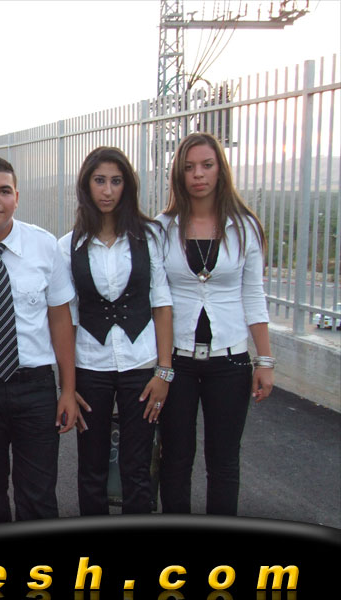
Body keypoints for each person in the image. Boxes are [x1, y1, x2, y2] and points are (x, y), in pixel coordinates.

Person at [0, 156, 84, 525]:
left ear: (17, 197)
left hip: (35, 389)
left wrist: (67, 390)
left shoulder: (44, 246)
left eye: (4, 191)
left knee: (39, 494)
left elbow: (60, 320)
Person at [156, 132, 275, 515]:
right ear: (178, 174)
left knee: (224, 461)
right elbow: (157, 298)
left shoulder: (245, 227)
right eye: (189, 167)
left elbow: (253, 295)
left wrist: (265, 361)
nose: (198, 175)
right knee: (176, 458)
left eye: (207, 165)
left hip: (230, 361)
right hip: (177, 361)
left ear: (221, 170)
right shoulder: (162, 228)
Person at [58, 147, 173, 516]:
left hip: (141, 364)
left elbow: (162, 304)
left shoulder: (149, 237)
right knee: (91, 467)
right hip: (90, 365)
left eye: (116, 181)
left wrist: (164, 372)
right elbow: (66, 319)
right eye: (99, 181)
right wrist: (68, 387)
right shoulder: (68, 246)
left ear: (127, 186)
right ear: (86, 185)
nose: (107, 190)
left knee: (137, 467)